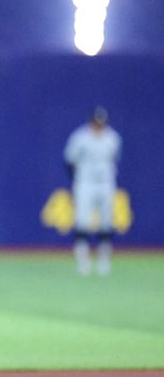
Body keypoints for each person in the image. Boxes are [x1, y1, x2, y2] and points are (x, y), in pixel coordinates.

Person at [64, 106, 122, 276]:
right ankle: (83, 261)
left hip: (106, 183)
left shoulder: (113, 138)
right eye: (96, 123)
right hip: (85, 183)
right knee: (82, 222)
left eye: (101, 123)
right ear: (91, 121)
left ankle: (104, 261)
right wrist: (77, 180)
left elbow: (115, 159)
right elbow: (69, 160)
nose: (99, 126)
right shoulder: (81, 137)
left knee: (106, 222)